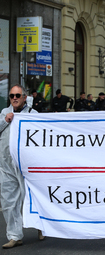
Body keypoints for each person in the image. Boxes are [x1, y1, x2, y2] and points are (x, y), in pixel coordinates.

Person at [0, 84, 44, 249]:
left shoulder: (33, 115)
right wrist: (5, 120)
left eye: (18, 95)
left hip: (26, 166)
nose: (15, 98)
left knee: (32, 198)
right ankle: (14, 236)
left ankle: (41, 226)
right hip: (6, 165)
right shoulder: (5, 113)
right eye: (12, 96)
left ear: (25, 98)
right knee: (8, 201)